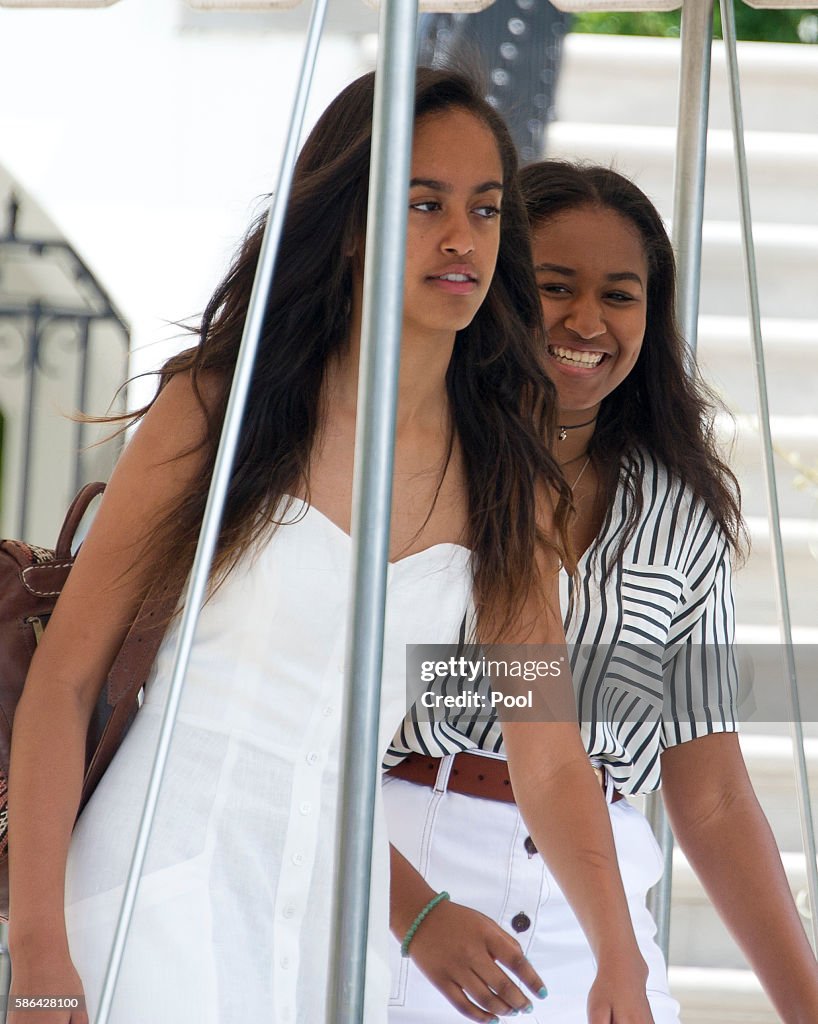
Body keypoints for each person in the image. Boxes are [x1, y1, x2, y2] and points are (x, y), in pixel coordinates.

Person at [6, 82, 658, 1024]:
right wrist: (36, 945)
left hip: (332, 937)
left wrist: (619, 958)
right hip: (152, 887)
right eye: (424, 203)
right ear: (351, 225)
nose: (462, 239)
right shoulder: (220, 410)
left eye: (483, 209)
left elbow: (549, 754)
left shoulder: (504, 475)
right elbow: (63, 684)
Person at [385, 160, 818, 1024]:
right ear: (501, 290)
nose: (586, 321)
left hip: (595, 919)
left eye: (620, 295)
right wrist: (413, 911)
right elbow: (362, 695)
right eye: (555, 286)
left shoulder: (681, 507)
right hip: (402, 880)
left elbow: (715, 794)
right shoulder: (412, 454)